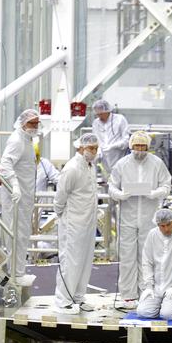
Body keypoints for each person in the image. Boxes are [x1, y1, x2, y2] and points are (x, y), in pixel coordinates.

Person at [108, 131, 172, 309]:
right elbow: (111, 186)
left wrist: (154, 193)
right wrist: (120, 194)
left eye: (143, 146)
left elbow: (166, 184)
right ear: (131, 146)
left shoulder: (156, 163)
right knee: (127, 257)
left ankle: (146, 293)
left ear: (148, 147)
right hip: (127, 217)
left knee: (147, 257)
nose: (140, 150)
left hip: (149, 218)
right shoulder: (122, 164)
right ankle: (128, 296)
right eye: (137, 146)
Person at [54, 132, 99, 312]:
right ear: (80, 147)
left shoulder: (90, 166)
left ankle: (78, 297)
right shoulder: (72, 168)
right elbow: (61, 195)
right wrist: (62, 216)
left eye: (96, 148)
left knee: (85, 261)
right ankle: (63, 300)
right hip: (73, 223)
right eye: (91, 148)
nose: (94, 151)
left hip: (88, 222)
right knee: (70, 261)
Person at [0, 107, 39, 282]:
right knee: (16, 234)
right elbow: (5, 163)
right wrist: (14, 184)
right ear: (22, 123)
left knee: (22, 234)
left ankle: (19, 271)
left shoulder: (27, 139)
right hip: (16, 197)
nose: (35, 126)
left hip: (25, 196)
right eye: (31, 123)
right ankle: (15, 273)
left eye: (37, 123)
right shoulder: (17, 140)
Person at [136, 208, 172, 320]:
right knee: (143, 312)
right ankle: (162, 304)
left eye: (168, 224)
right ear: (158, 225)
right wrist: (148, 286)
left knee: (168, 315)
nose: (166, 229)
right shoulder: (152, 235)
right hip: (156, 286)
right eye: (162, 226)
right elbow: (146, 262)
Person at [91, 98, 130, 174]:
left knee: (118, 175)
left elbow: (126, 140)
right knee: (106, 178)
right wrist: (98, 150)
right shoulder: (96, 123)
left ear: (107, 111)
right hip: (103, 158)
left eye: (101, 114)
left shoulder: (120, 119)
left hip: (118, 155)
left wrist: (113, 146)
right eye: (97, 114)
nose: (99, 117)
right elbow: (95, 139)